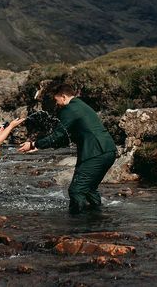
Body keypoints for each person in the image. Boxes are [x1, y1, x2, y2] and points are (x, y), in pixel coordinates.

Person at [19, 84, 116, 214]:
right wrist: (39, 146)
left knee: (76, 190)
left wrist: (33, 144)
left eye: (56, 100)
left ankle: (77, 226)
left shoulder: (69, 109)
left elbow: (58, 134)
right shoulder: (80, 105)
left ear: (63, 97)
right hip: (108, 150)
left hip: (95, 153)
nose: (57, 103)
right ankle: (97, 221)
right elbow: (65, 138)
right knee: (89, 189)